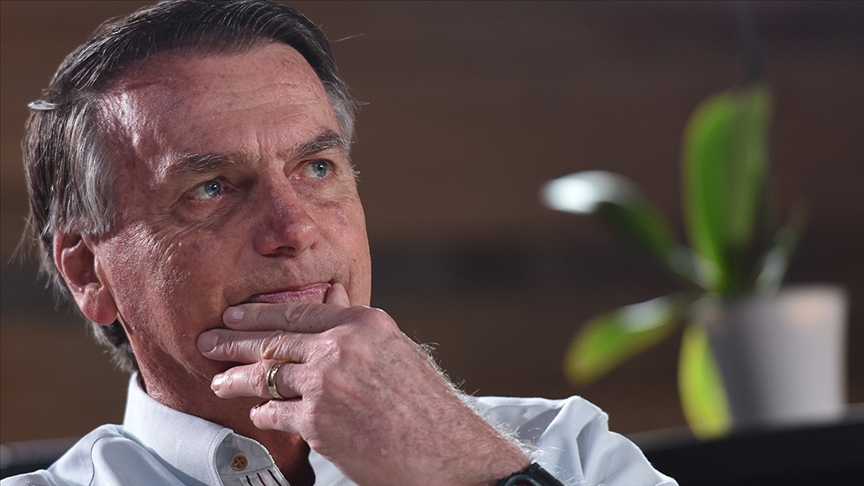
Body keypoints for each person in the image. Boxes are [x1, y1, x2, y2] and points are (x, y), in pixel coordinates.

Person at [4, 1, 676, 485]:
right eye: (210, 187)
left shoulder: (566, 453)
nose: (294, 229)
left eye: (316, 168)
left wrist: (470, 473)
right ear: (89, 272)